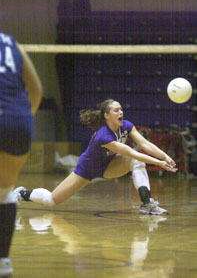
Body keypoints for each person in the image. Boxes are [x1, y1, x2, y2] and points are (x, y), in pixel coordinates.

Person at [14, 99, 177, 216]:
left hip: (109, 166)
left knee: (137, 162)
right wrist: (159, 163)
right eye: (116, 110)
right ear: (106, 115)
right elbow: (131, 151)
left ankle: (147, 203)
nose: (120, 112)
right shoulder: (103, 136)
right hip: (86, 170)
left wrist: (165, 156)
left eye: (121, 109)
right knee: (51, 200)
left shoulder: (126, 125)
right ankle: (22, 193)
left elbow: (144, 144)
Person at [0, 32, 42, 277]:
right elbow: (35, 89)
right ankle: (3, 262)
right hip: (17, 120)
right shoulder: (9, 41)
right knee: (4, 191)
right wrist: (22, 122)